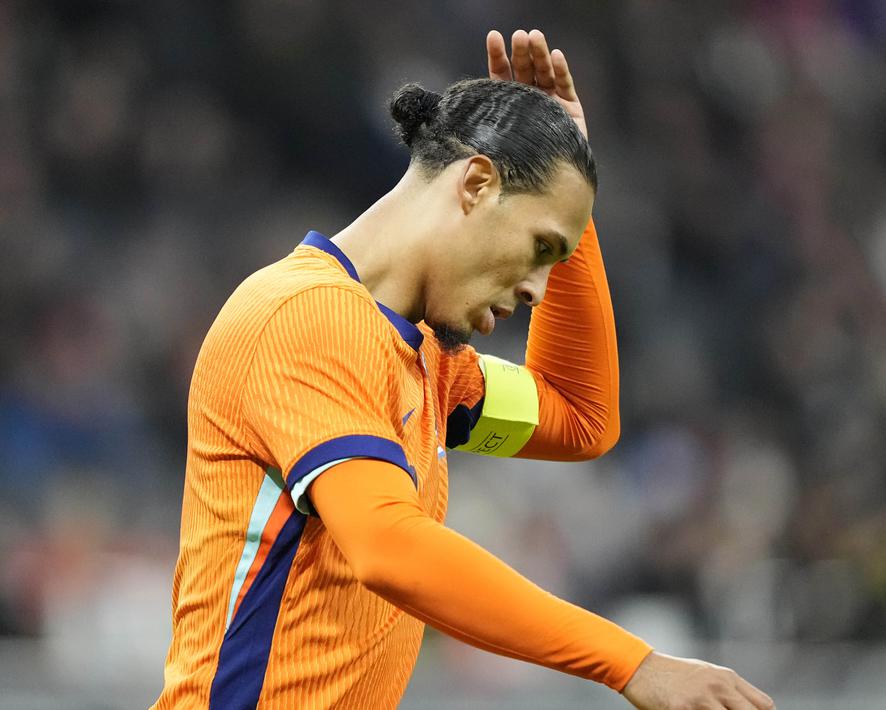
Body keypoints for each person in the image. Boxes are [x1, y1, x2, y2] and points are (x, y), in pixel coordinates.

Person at [154, 29, 774, 710]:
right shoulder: (303, 316)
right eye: (540, 248)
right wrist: (629, 662)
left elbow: (579, 418)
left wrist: (567, 194)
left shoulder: (426, 364)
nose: (541, 288)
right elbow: (387, 546)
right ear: (476, 183)